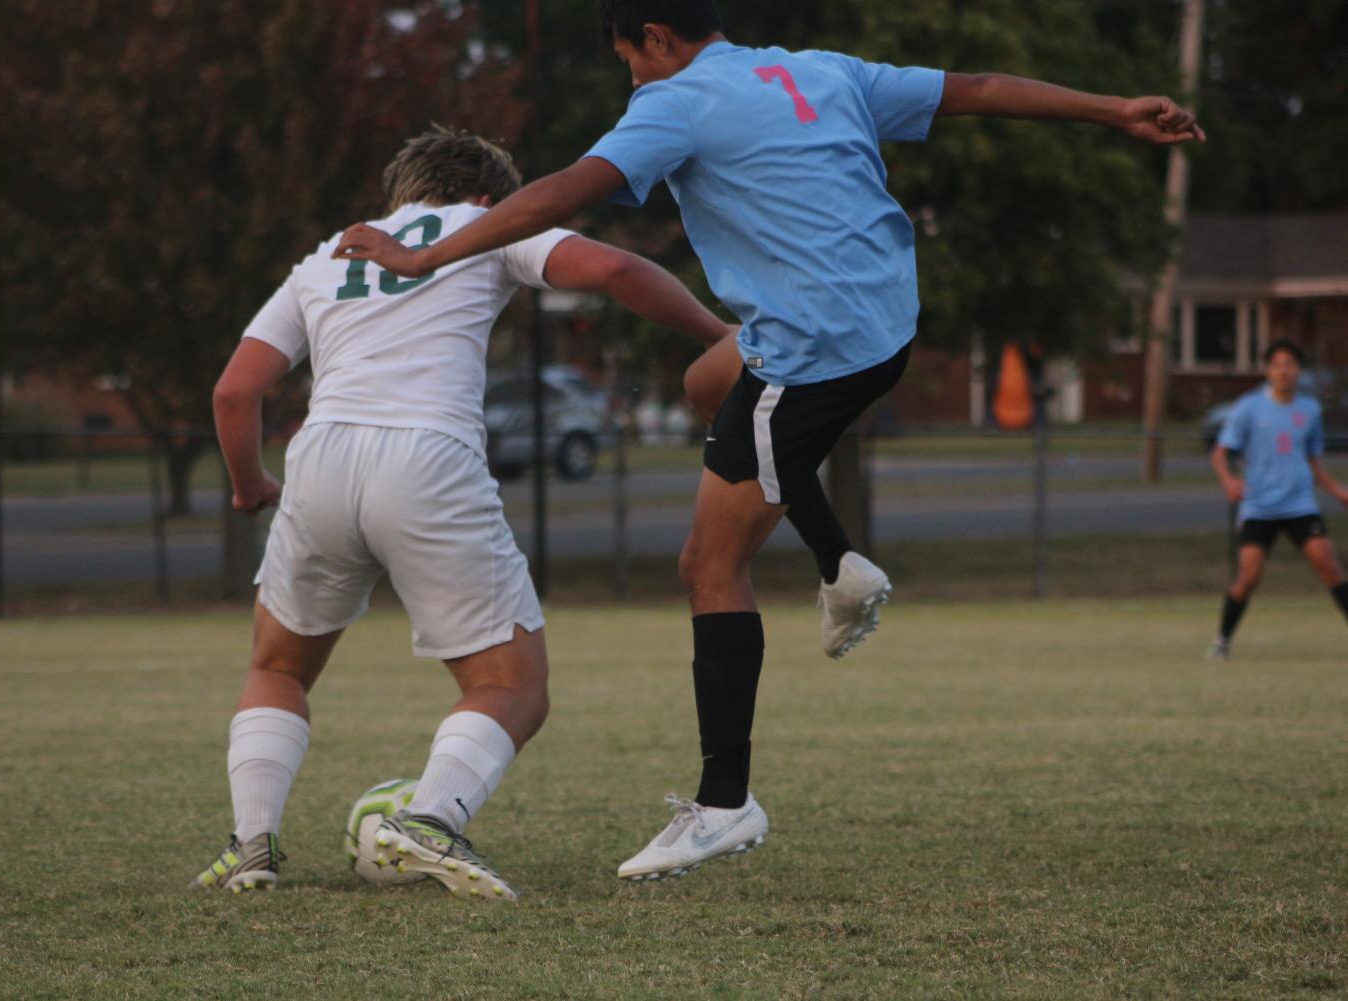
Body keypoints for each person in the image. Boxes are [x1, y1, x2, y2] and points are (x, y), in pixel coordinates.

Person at [334, 0, 1205, 882]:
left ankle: (723, 803)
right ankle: (839, 565)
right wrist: (1114, 109)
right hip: (884, 321)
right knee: (708, 379)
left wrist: (425, 258)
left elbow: (562, 191)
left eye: (627, 59)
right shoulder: (822, 69)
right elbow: (974, 88)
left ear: (658, 41)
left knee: (707, 566)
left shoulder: (670, 102)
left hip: (813, 349)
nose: (629, 78)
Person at [195, 126, 732, 899]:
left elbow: (234, 391)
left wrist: (249, 485)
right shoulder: (488, 229)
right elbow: (612, 268)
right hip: (426, 457)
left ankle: (252, 844)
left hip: (320, 458)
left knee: (276, 665)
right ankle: (430, 818)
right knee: (510, 685)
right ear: (490, 198)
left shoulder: (326, 257)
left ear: (403, 194)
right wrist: (718, 335)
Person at [1208, 340, 1348, 660]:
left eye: (1290, 365)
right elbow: (1220, 453)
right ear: (1268, 370)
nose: (1284, 371)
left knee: (1330, 568)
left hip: (1300, 504)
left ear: (1299, 371)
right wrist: (1229, 480)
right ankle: (1222, 641)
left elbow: (1313, 461)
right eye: (1277, 364)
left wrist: (1337, 491)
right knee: (1248, 578)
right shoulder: (1248, 408)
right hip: (1259, 506)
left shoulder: (1310, 410)